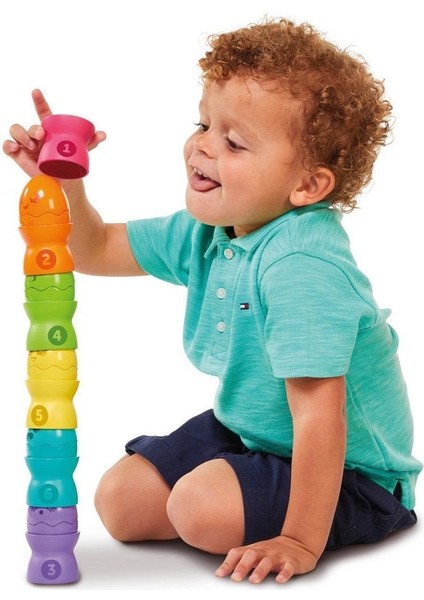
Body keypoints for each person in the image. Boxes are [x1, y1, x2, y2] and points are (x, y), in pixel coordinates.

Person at [4, 18, 422, 585]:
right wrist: (62, 182)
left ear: (307, 186)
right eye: (204, 123)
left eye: (234, 142)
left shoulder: (301, 267)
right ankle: (241, 486)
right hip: (253, 432)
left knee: (198, 510)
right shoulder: (213, 229)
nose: (202, 145)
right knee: (121, 502)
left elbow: (319, 415)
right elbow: (94, 248)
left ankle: (285, 510)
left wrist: (299, 540)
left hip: (351, 471)